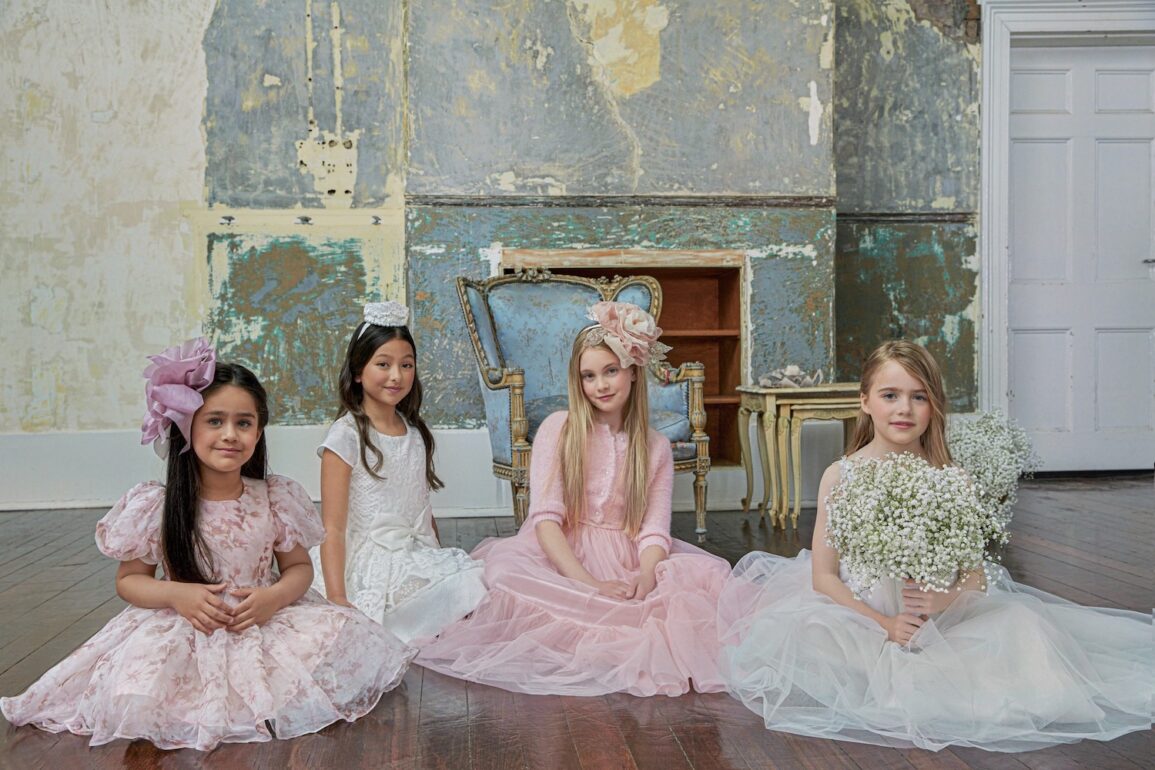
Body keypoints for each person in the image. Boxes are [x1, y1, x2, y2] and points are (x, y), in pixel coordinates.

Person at [716, 340, 1154, 752]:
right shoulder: (841, 476)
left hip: (941, 622)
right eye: (890, 395)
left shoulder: (951, 478)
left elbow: (975, 576)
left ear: (934, 406)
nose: (904, 409)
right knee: (821, 644)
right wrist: (884, 624)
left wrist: (940, 601)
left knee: (1023, 638)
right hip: (860, 620)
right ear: (865, 402)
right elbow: (823, 576)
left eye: (919, 397)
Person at [0, 339, 415, 751]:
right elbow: (129, 581)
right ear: (187, 427)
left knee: (342, 637)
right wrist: (176, 594)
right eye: (214, 421)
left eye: (244, 423)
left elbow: (299, 569)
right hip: (186, 624)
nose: (230, 435)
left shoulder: (274, 497)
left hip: (261, 620)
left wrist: (273, 598)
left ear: (259, 431)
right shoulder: (159, 505)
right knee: (147, 683)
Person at [417, 301, 731, 696]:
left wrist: (647, 575)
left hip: (627, 554)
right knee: (502, 576)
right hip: (561, 549)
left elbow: (654, 531)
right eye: (588, 376)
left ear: (633, 371)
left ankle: (618, 625)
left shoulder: (655, 447)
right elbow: (546, 520)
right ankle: (585, 618)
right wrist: (588, 583)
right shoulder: (559, 429)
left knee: (700, 587)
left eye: (611, 371)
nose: (600, 385)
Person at [309, 301, 485, 643]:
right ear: (358, 371)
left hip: (411, 550)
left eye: (406, 365)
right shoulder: (345, 437)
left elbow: (422, 509)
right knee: (453, 593)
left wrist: (438, 559)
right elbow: (333, 527)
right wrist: (337, 596)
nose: (396, 376)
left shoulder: (414, 431)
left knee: (471, 580)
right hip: (368, 560)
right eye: (383, 364)